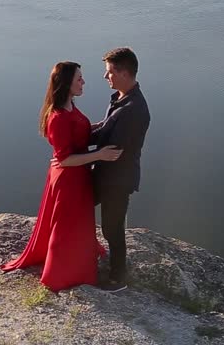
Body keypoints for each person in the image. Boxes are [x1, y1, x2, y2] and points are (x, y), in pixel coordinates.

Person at [1, 61, 122, 292]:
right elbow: (65, 159)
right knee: (66, 226)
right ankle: (62, 272)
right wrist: (100, 155)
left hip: (78, 176)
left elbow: (79, 134)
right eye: (79, 78)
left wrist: (106, 125)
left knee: (75, 223)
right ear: (66, 83)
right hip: (68, 179)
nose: (83, 82)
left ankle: (78, 258)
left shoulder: (69, 108)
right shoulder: (58, 117)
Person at [90, 47, 151, 293]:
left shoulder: (133, 109)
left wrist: (73, 144)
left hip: (117, 179)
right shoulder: (122, 97)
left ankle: (118, 279)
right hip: (107, 175)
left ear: (124, 73)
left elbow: (110, 143)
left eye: (110, 72)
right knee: (78, 208)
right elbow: (105, 126)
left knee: (112, 228)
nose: (106, 77)